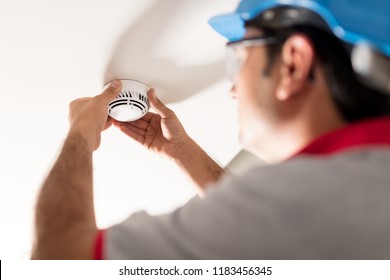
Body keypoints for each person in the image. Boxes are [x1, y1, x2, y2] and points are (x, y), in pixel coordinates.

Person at [32, 0, 390, 259]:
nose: (232, 89)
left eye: (239, 58)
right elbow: (260, 231)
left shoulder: (308, 203)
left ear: (293, 64)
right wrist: (180, 149)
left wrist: (80, 133)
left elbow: (59, 258)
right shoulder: (351, 192)